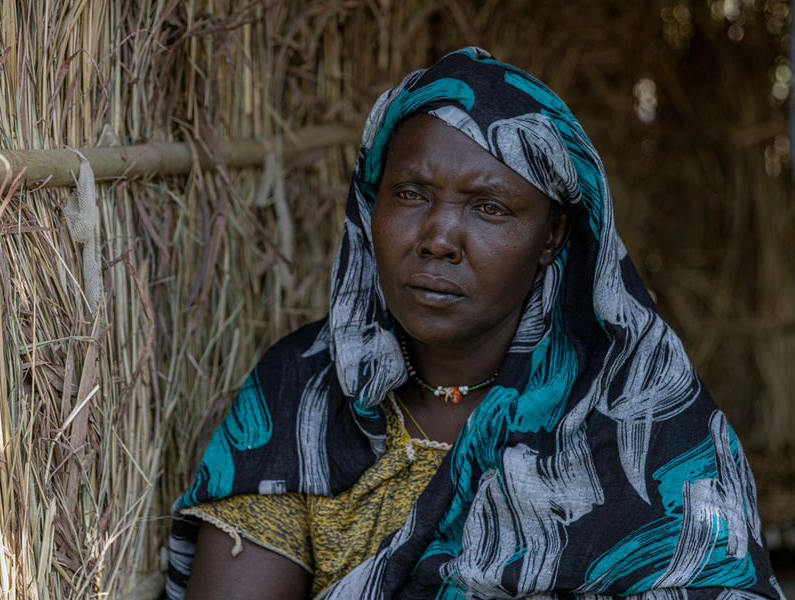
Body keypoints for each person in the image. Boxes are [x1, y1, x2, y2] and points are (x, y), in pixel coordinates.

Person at [166, 47, 783, 600]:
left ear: (552, 235)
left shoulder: (641, 418)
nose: (437, 239)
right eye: (409, 193)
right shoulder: (303, 393)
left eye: (489, 208)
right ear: (370, 202)